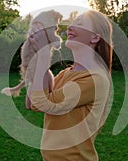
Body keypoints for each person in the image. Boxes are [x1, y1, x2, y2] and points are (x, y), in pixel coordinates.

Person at [26, 10, 113, 161]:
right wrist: (38, 56)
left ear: (95, 37)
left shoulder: (95, 79)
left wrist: (44, 53)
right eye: (71, 23)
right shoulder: (65, 73)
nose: (69, 28)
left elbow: (40, 103)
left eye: (79, 24)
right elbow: (31, 102)